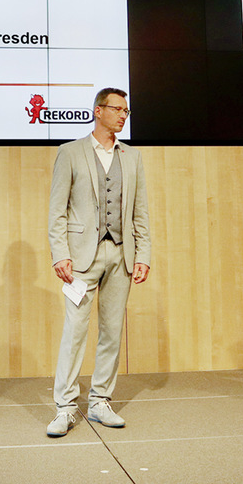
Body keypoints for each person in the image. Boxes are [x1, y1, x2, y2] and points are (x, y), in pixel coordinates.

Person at [46, 88, 151, 437]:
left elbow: (140, 213)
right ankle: (64, 406)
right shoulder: (71, 152)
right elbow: (56, 210)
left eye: (127, 110)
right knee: (75, 331)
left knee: (112, 330)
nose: (123, 116)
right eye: (117, 109)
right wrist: (60, 252)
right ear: (98, 111)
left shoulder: (131, 157)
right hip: (80, 257)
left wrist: (143, 255)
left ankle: (100, 400)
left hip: (120, 254)